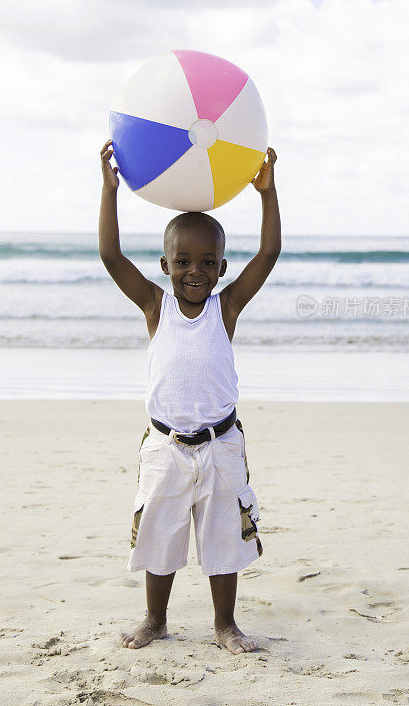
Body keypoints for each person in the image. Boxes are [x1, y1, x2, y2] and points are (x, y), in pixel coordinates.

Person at [99, 139, 281, 654]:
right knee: (159, 535)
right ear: (165, 264)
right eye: (183, 261)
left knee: (224, 539)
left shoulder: (227, 310)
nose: (194, 271)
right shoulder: (156, 307)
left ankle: (225, 624)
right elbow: (110, 255)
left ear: (222, 267)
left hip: (221, 445)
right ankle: (155, 619)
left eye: (206, 261)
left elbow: (269, 253)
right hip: (166, 447)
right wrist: (109, 191)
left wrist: (267, 194)